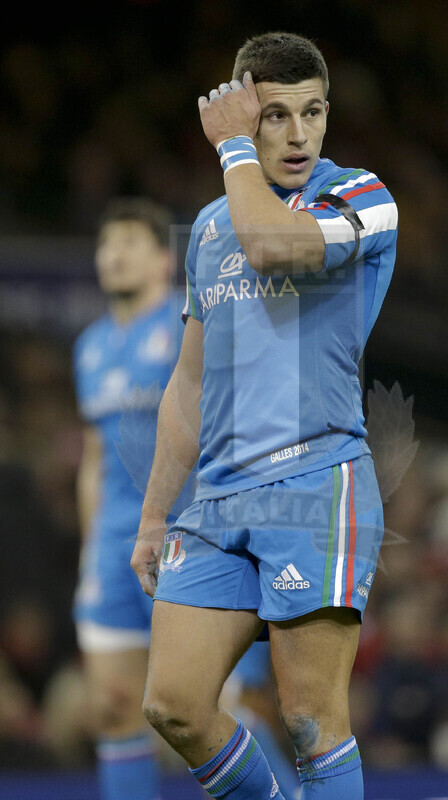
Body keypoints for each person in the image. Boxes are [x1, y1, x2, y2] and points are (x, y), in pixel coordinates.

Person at [131, 31, 398, 800]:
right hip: (217, 501)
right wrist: (155, 516)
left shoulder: (360, 197)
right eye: (274, 115)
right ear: (249, 117)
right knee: (175, 706)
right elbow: (188, 385)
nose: (299, 134)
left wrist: (233, 153)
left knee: (311, 720)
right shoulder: (209, 230)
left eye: (312, 113)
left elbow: (274, 245)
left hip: (317, 484)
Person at [73, 197, 194, 800]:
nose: (113, 255)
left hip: (191, 537)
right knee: (114, 706)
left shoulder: (189, 321)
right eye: (105, 245)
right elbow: (95, 459)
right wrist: (89, 548)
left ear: (161, 259)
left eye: (128, 243)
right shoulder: (89, 347)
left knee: (204, 712)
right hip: (112, 547)